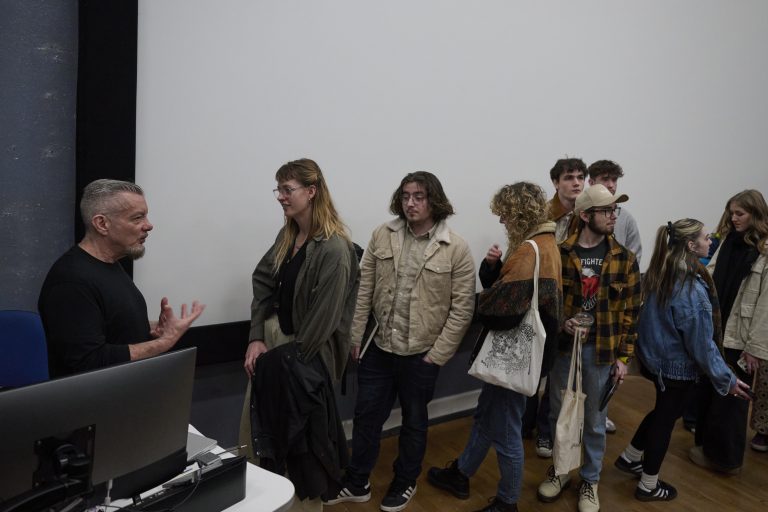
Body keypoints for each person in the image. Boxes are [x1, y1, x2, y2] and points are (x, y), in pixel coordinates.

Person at [324, 171, 476, 512]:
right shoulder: (384, 234)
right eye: (406, 196)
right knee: (366, 417)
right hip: (379, 347)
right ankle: (357, 480)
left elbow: (462, 308)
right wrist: (355, 336)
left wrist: (437, 355)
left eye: (419, 196)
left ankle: (405, 481)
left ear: (434, 200)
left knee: (414, 421)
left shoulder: (456, 248)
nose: (411, 202)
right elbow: (364, 289)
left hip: (421, 354)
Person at [425, 182, 563, 512]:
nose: (502, 222)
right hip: (526, 355)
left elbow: (502, 309)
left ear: (518, 214)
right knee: (487, 414)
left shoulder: (530, 250)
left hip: (513, 359)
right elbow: (517, 295)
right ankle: (461, 472)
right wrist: (494, 274)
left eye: (504, 215)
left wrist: (468, 303)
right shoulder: (547, 243)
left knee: (506, 430)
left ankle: (507, 501)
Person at [242, 158, 360, 511]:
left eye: (287, 189)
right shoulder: (290, 234)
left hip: (304, 361)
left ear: (311, 192)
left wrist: (277, 367)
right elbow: (262, 280)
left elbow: (322, 326)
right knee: (262, 440)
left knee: (302, 451)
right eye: (278, 189)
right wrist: (256, 336)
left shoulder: (335, 249)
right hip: (276, 348)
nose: (280, 197)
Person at [614, 219, 753, 502]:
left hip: (657, 364)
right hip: (676, 370)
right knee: (665, 421)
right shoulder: (690, 289)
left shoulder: (660, 272)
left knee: (666, 412)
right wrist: (726, 379)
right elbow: (702, 346)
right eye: (704, 237)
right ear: (691, 246)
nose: (710, 241)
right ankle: (648, 485)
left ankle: (630, 458)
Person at [536, 184, 641, 512]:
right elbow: (546, 303)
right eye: (607, 210)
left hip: (603, 353)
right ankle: (560, 471)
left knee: (595, 421)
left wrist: (624, 357)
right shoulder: (561, 254)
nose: (613, 216)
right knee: (560, 415)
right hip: (566, 350)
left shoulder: (624, 258)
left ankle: (590, 481)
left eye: (615, 210)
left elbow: (632, 312)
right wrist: (562, 321)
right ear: (585, 215)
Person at [39, 179, 205, 378]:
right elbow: (88, 361)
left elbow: (110, 327)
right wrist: (163, 343)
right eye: (137, 218)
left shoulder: (110, 264)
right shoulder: (71, 282)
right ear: (102, 224)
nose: (149, 225)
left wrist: (152, 329)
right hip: (93, 405)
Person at [691, 189, 768, 470]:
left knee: (733, 400)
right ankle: (706, 448)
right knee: (712, 391)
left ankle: (725, 460)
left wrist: (755, 349)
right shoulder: (727, 242)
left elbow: (765, 307)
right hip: (716, 328)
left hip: (741, 336)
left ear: (756, 214)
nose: (734, 218)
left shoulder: (765, 251)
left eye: (740, 213)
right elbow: (709, 274)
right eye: (732, 212)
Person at [526, 157, 588, 458]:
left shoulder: (587, 215)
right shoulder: (543, 214)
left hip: (574, 301)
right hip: (544, 299)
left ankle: (548, 431)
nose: (576, 182)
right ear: (556, 182)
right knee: (536, 368)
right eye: (569, 178)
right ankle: (529, 425)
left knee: (559, 373)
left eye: (580, 177)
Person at [587, 159, 642, 435]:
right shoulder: (582, 215)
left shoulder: (626, 219)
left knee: (607, 371)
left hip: (612, 308)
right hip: (582, 310)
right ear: (591, 182)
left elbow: (634, 259)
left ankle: (599, 414)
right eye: (604, 179)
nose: (610, 184)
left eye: (614, 180)